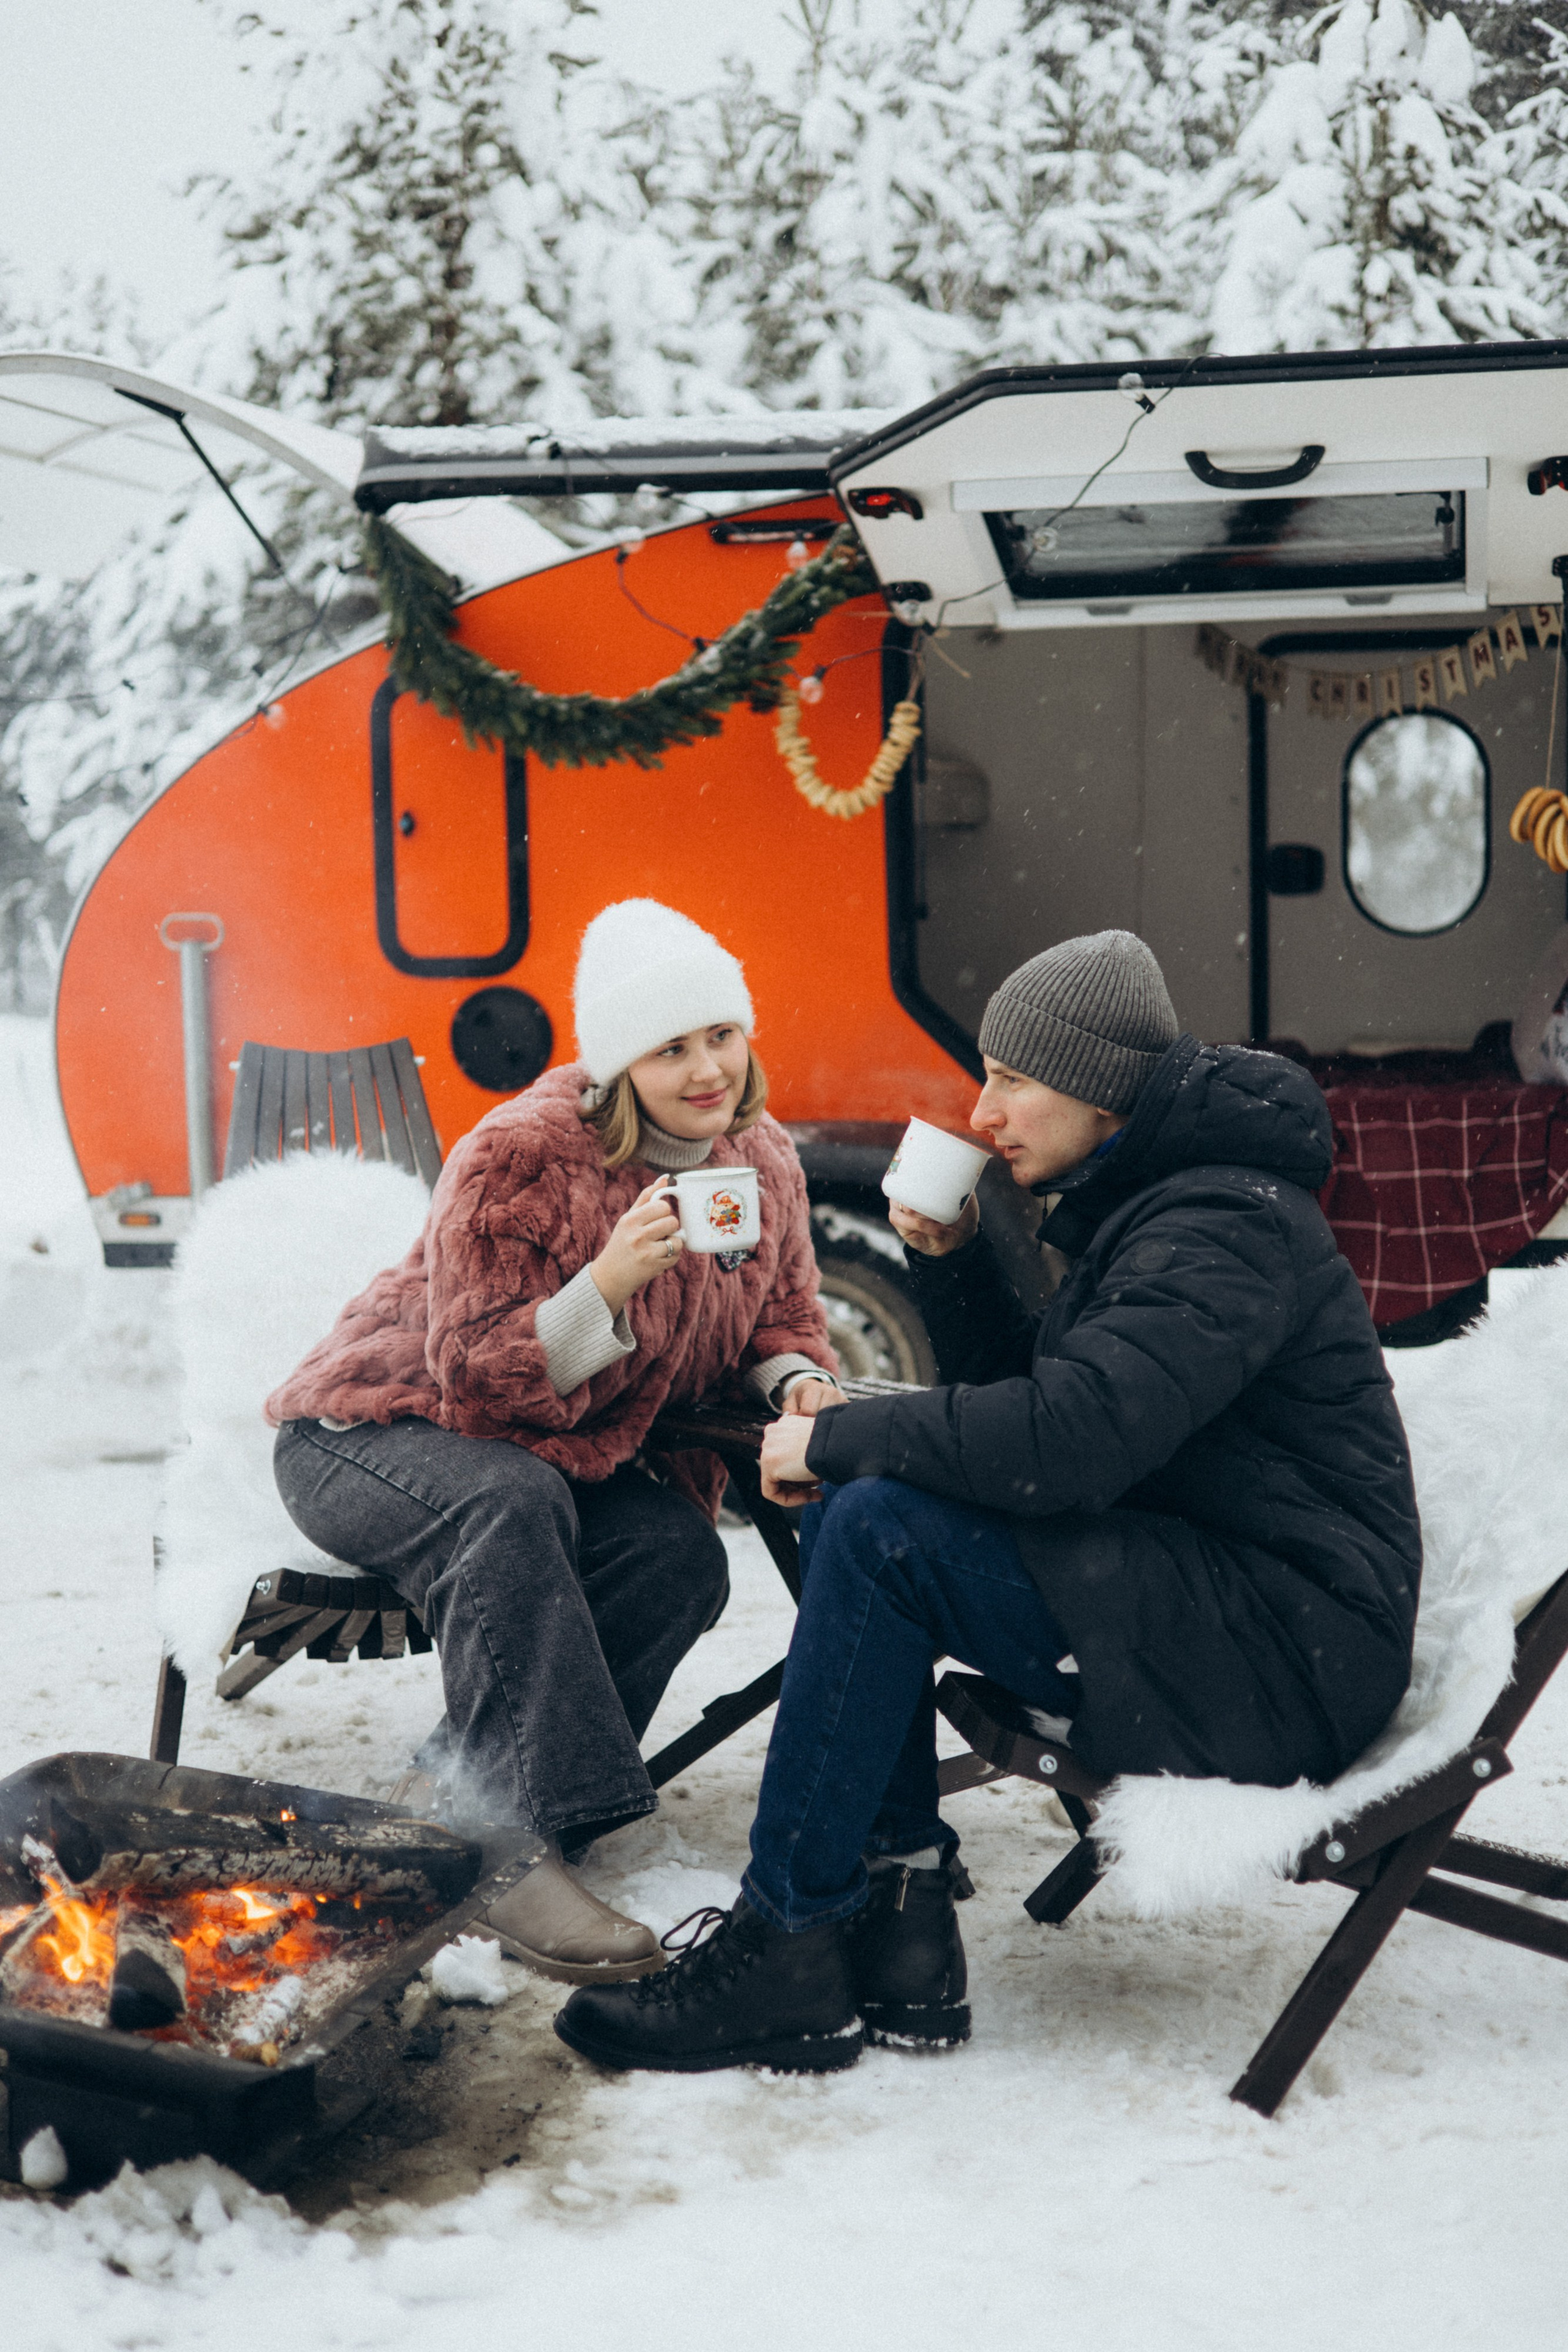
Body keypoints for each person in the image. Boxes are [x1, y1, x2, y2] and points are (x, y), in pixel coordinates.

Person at [555, 929, 1423, 2074]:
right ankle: (901, 1925)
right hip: (1219, 1602)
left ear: (1099, 1086)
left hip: (1283, 1656)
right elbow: (1048, 1413)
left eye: (1014, 1079)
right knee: (871, 1510)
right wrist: (954, 1261)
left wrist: (843, 1438)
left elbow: (1067, 1444)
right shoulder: (1172, 1201)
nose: (986, 1110)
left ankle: (791, 1942)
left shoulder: (1225, 1224)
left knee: (872, 1522)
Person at [268, 899, 842, 1981]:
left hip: (557, 1453)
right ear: (619, 1064)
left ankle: (480, 1812)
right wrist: (608, 1284)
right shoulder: (523, 1154)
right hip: (372, 1429)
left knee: (677, 1552)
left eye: (720, 1033)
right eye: (670, 1048)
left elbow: (782, 1314)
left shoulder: (761, 1159)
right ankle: (506, 1853)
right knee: (506, 1502)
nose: (708, 1068)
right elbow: (475, 1374)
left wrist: (801, 1381)